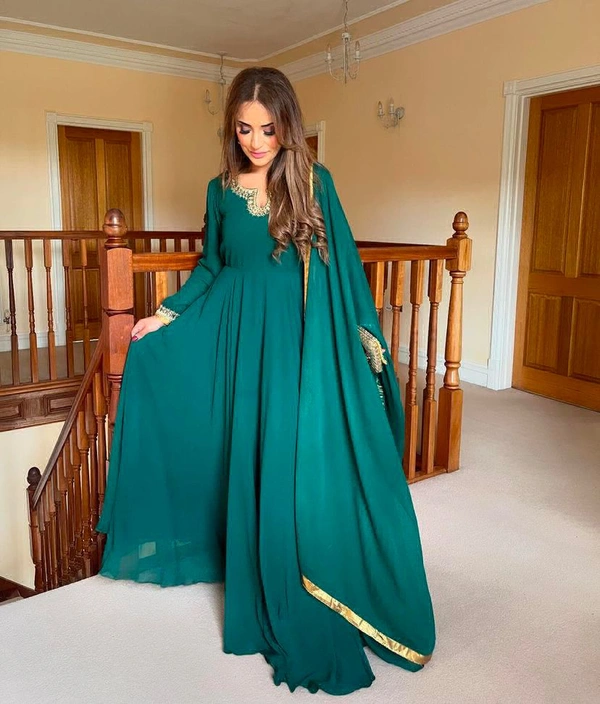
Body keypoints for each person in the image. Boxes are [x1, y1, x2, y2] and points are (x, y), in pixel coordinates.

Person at [97, 66, 435, 695]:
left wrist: (351, 344)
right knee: (241, 449)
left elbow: (341, 271)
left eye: (267, 129)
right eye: (244, 129)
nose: (255, 141)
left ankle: (303, 580)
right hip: (235, 333)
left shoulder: (312, 182)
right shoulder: (220, 189)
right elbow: (212, 265)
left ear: (287, 127)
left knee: (289, 458)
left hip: (295, 341)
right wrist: (165, 314)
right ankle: (254, 574)